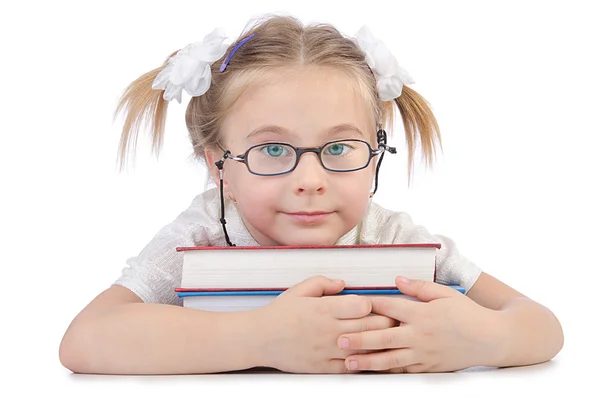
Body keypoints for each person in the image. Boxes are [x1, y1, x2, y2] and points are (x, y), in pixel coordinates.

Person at [59, 14, 563, 375]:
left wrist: (477, 338)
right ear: (220, 168)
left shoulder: (391, 236)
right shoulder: (204, 237)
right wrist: (258, 339)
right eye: (274, 149)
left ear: (376, 152)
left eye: (339, 147)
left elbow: (541, 326)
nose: (310, 178)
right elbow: (84, 341)